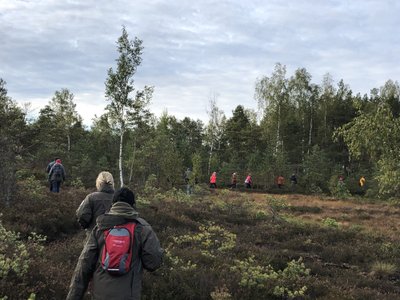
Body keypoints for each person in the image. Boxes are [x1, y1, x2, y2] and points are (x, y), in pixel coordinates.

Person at [67, 187, 163, 300]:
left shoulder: (100, 227)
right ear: (133, 205)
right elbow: (153, 263)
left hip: (100, 295)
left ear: (113, 204)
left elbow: (84, 266)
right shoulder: (143, 228)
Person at [76, 171, 115, 236]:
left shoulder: (91, 197)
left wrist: (86, 226)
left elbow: (82, 214)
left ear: (98, 183)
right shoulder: (119, 197)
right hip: (115, 238)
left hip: (94, 236)